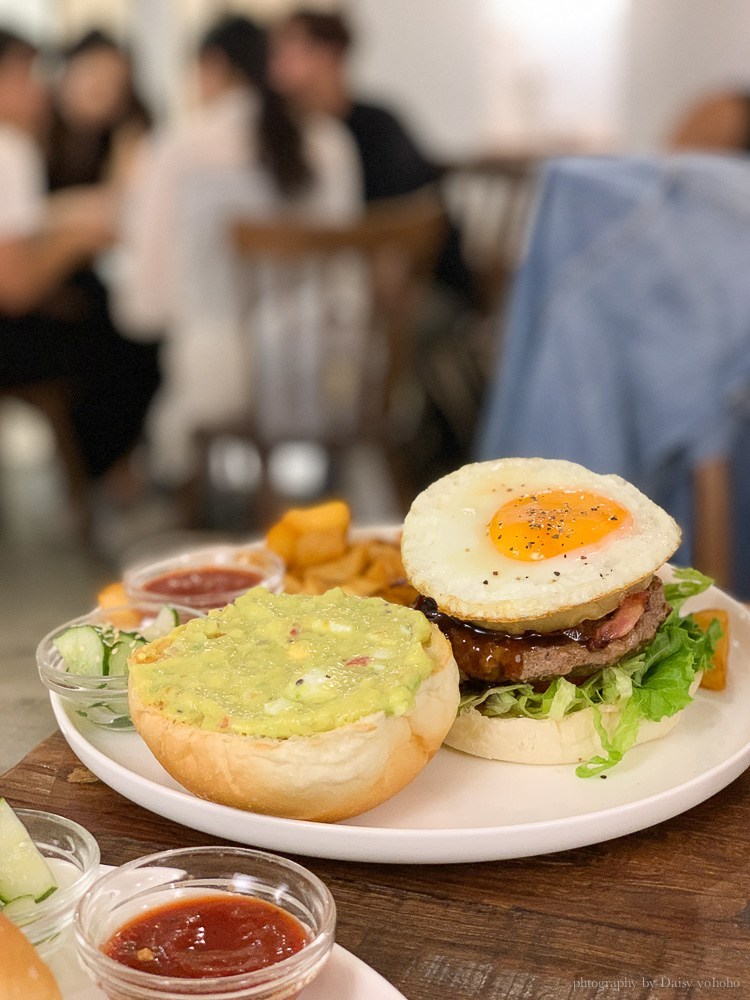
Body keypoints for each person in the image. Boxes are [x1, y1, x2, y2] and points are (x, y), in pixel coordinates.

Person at [116, 15, 362, 487]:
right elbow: (347, 275)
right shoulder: (330, 143)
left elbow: (142, 307)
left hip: (221, 385)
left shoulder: (177, 149)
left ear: (212, 66)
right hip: (328, 379)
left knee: (175, 380)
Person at [0, 27, 159, 488]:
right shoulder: (11, 149)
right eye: (28, 75)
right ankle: (101, 479)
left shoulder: (119, 133)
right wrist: (75, 237)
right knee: (130, 337)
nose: (38, 87)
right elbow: (15, 288)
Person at [269, 9, 474, 303]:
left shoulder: (378, 129)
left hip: (419, 294)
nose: (277, 68)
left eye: (289, 51)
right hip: (339, 290)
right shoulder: (295, 139)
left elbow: (404, 247)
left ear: (332, 55)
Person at [46, 29, 152, 191]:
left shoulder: (128, 126)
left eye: (113, 82)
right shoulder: (40, 122)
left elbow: (127, 195)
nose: (102, 90)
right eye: (92, 74)